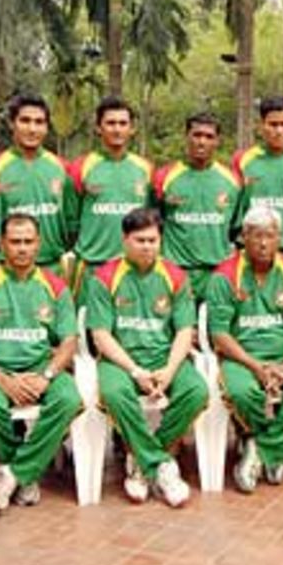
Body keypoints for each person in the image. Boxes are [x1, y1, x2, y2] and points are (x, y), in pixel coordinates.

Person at [84, 208, 206, 507]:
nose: (148, 246)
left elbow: (184, 331)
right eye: (140, 240)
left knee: (197, 392)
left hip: (166, 358)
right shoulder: (104, 277)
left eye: (153, 240)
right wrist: (136, 370)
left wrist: (168, 369)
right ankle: (161, 465)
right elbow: (101, 335)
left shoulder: (176, 276)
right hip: (122, 362)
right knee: (114, 393)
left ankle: (141, 460)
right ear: (125, 240)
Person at [0, 214, 80, 512]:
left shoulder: (56, 287)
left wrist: (48, 375)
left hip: (43, 368)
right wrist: (3, 380)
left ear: (39, 244)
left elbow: (69, 341)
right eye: (15, 242)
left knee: (69, 399)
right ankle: (25, 469)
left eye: (28, 241)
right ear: (1, 244)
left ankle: (13, 473)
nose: (22, 249)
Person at [206, 207, 283, 493]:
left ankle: (261, 451)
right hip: (241, 357)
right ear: (244, 237)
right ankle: (269, 445)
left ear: (280, 238)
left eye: (270, 236)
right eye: (256, 236)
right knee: (243, 392)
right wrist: (254, 366)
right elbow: (220, 334)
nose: (263, 243)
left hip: (282, 356)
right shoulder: (224, 276)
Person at [0, 92, 76, 274]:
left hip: (52, 269)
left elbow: (72, 226)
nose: (32, 129)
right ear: (12, 123)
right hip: (6, 272)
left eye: (39, 122)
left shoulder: (63, 168)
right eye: (25, 121)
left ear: (47, 127)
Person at [69, 96, 153, 293]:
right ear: (98, 127)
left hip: (132, 268)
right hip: (92, 267)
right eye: (110, 123)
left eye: (123, 123)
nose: (117, 129)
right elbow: (70, 221)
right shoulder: (80, 167)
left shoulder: (146, 169)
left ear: (132, 128)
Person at [154, 113, 242, 300]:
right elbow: (154, 223)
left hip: (216, 273)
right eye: (197, 135)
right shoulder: (164, 177)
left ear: (218, 141)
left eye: (209, 137)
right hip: (176, 272)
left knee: (216, 328)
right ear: (187, 136)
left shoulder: (232, 181)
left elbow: (236, 228)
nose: (202, 142)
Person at [231, 96, 283, 257]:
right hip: (250, 253)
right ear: (261, 126)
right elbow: (235, 210)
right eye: (273, 124)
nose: (279, 131)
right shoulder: (242, 160)